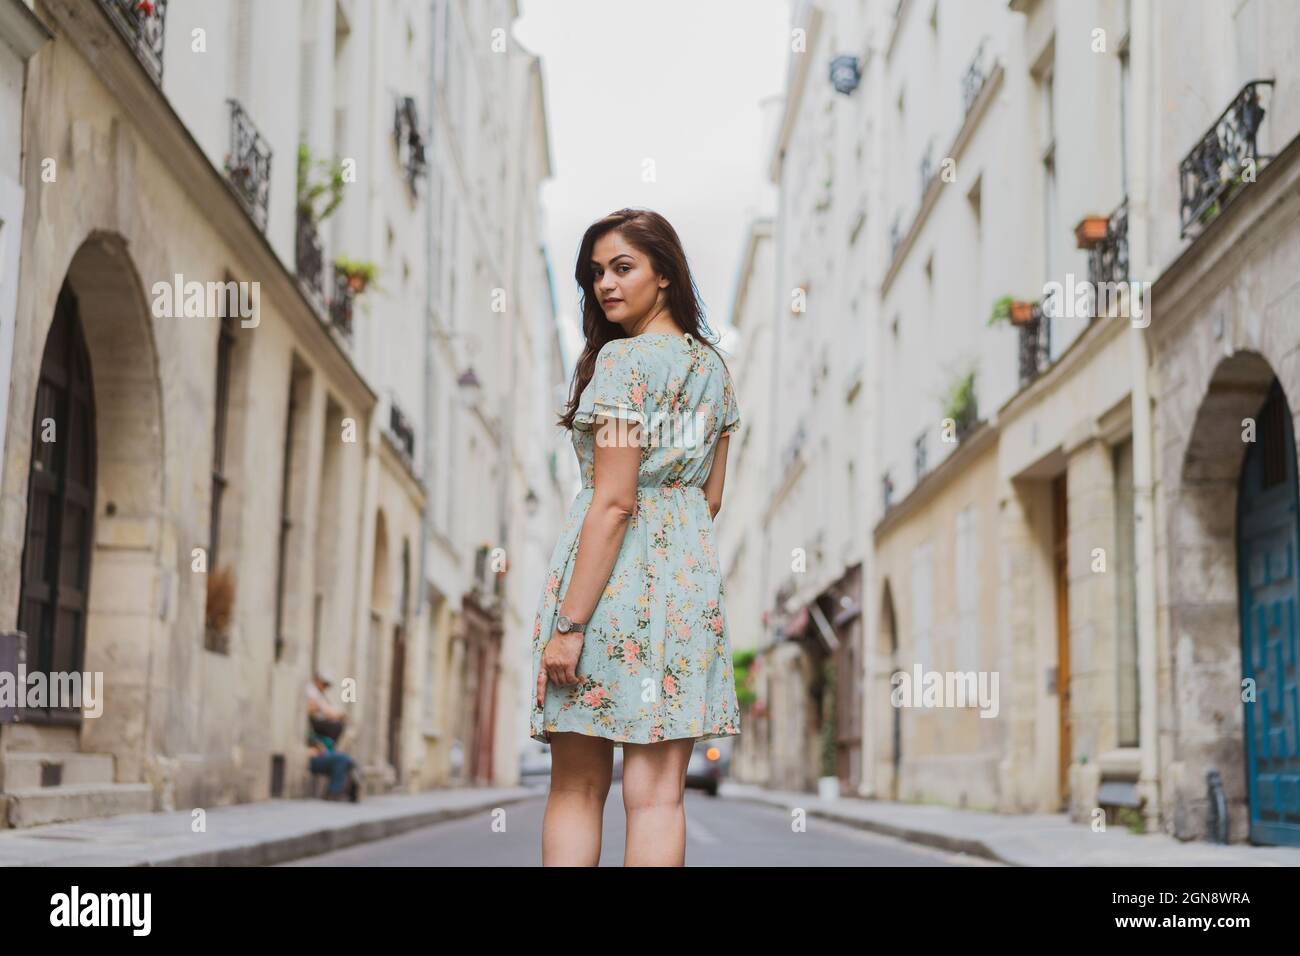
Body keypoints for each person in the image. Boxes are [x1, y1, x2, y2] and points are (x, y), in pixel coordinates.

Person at [531, 208, 742, 866]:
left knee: (576, 786)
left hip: (607, 590)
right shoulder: (714, 371)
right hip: (684, 591)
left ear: (666, 276)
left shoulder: (622, 365)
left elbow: (616, 501)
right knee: (658, 798)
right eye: (596, 272)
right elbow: (710, 497)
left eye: (623, 268)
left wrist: (570, 624)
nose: (605, 285)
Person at [308, 730, 360, 802]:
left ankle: (334, 792)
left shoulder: (328, 734)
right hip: (317, 759)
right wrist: (318, 749)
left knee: (342, 762)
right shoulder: (312, 734)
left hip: (330, 757)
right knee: (343, 759)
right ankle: (342, 791)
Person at [306, 671, 347, 746]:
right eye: (324, 684)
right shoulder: (312, 691)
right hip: (315, 721)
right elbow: (319, 709)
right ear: (319, 680)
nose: (325, 687)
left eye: (327, 685)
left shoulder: (320, 693)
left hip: (320, 719)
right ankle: (325, 747)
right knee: (335, 726)